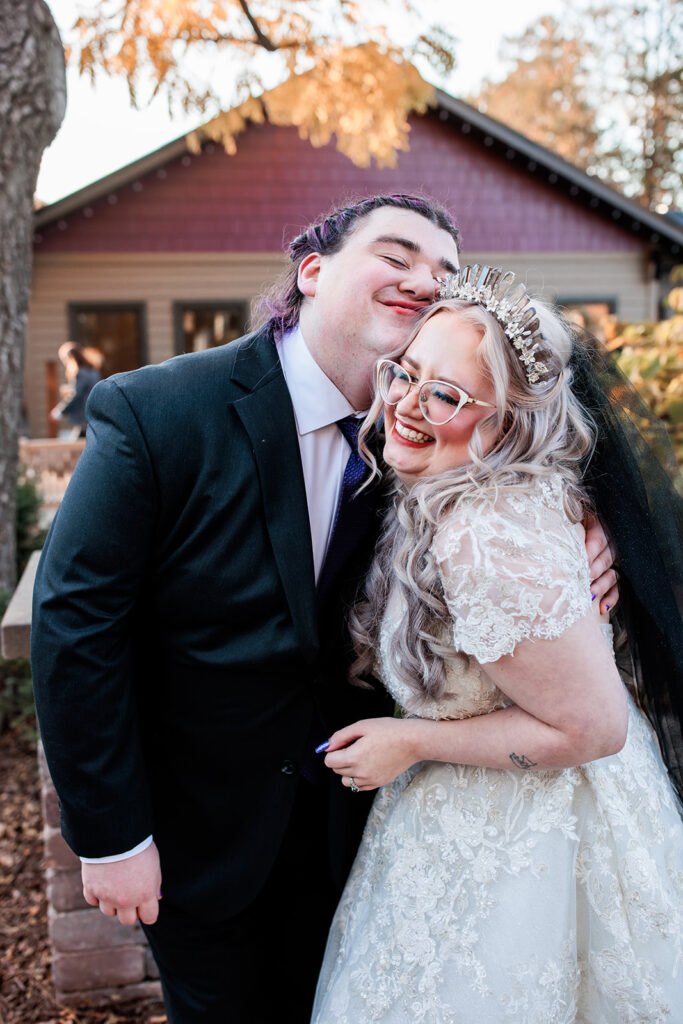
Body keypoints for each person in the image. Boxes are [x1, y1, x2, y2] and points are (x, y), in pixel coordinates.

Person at [31, 201, 616, 1024]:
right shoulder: (156, 412)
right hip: (204, 835)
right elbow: (76, 627)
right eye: (397, 254)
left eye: (444, 273)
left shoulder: (433, 431)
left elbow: (540, 452)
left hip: (379, 831)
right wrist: (111, 837)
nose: (425, 279)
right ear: (311, 271)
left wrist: (595, 530)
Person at [312, 267, 683, 1023]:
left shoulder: (487, 536)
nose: (407, 405)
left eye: (444, 393)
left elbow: (592, 728)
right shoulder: (454, 490)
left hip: (533, 847)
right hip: (464, 817)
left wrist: (409, 739)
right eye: (405, 374)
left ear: (508, 423)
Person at [49, 341, 102, 436]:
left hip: (83, 418)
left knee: (77, 446)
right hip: (93, 415)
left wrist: (59, 411)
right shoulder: (93, 371)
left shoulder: (80, 373)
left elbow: (77, 395)